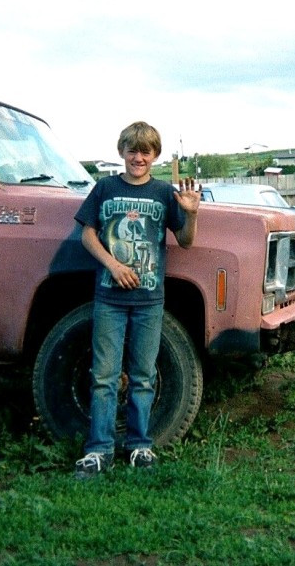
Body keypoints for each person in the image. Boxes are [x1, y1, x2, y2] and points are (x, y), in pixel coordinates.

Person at [73, 121, 201, 479]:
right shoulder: (104, 188)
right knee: (104, 376)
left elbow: (186, 241)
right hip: (109, 297)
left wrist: (191, 213)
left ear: (155, 155)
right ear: (122, 152)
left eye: (145, 151)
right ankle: (98, 451)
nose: (138, 157)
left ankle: (139, 446)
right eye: (132, 150)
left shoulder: (163, 193)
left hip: (149, 300)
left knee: (144, 376)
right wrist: (112, 265)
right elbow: (87, 234)